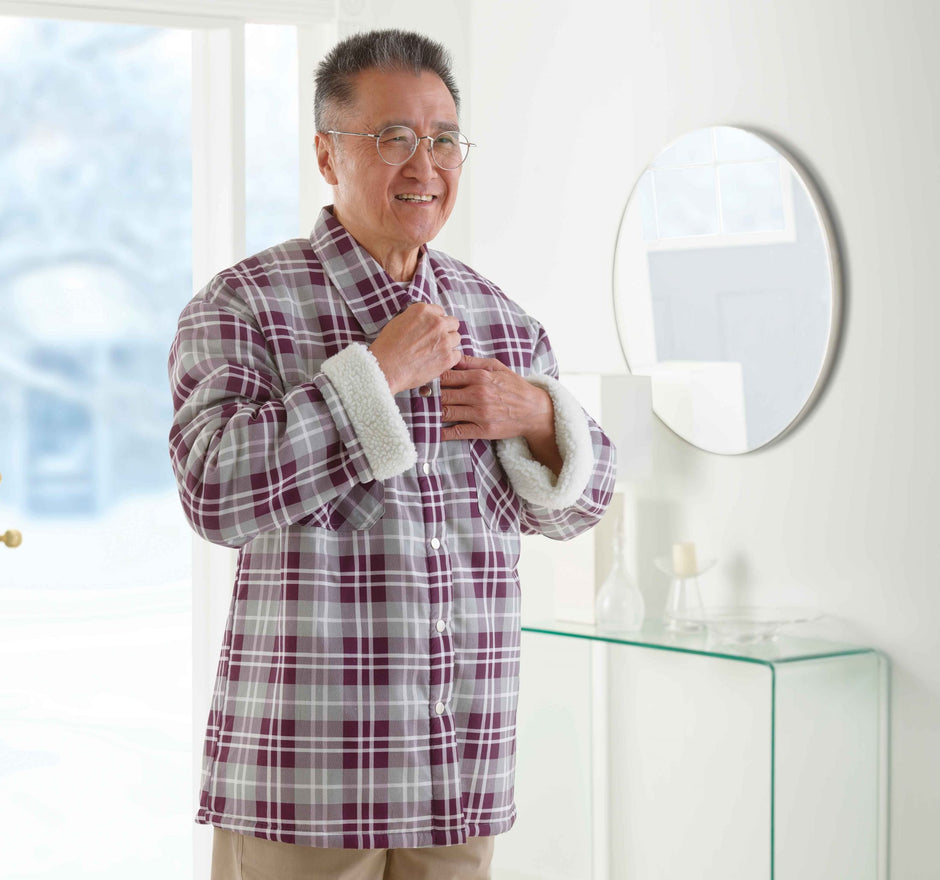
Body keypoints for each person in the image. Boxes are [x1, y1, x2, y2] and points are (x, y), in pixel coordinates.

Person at [168, 28, 616, 880]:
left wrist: (538, 415)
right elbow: (213, 492)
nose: (426, 164)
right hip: (308, 774)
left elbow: (583, 506)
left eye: (444, 138)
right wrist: (374, 377)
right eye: (393, 138)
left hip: (459, 764)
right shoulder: (245, 304)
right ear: (326, 154)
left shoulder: (503, 320)